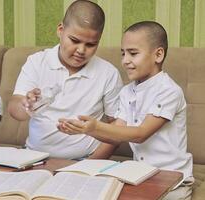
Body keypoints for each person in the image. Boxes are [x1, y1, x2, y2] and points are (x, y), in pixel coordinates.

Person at [58, 21, 194, 199]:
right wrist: (84, 131)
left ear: (158, 55)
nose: (125, 61)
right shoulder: (127, 92)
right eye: (123, 54)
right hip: (142, 175)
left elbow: (140, 134)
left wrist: (95, 127)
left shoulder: (169, 91)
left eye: (133, 53)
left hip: (173, 179)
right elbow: (117, 133)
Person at [8, 0, 123, 159]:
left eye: (91, 44)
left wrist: (90, 164)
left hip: (85, 160)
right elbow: (15, 110)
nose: (81, 51)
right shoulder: (37, 62)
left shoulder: (108, 73)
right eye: (75, 41)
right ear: (60, 30)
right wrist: (26, 105)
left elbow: (118, 127)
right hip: (33, 156)